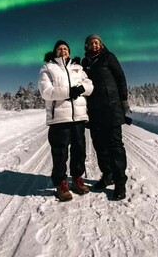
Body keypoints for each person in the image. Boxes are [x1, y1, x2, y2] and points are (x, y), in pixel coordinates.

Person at [38, 40, 94, 202]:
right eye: (60, 49)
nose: (63, 51)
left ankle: (77, 178)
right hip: (59, 119)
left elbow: (90, 85)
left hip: (78, 117)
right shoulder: (48, 68)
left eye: (65, 48)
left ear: (69, 52)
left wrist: (82, 88)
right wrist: (70, 91)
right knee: (60, 152)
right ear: (55, 52)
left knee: (79, 150)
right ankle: (61, 182)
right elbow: (47, 92)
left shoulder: (78, 67)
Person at [81, 34, 130, 201]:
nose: (94, 45)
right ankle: (107, 175)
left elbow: (120, 78)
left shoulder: (109, 57)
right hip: (94, 111)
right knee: (99, 145)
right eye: (91, 43)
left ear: (101, 44)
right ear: (86, 46)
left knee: (115, 145)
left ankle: (120, 182)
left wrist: (123, 101)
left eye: (97, 42)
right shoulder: (85, 63)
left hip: (112, 107)